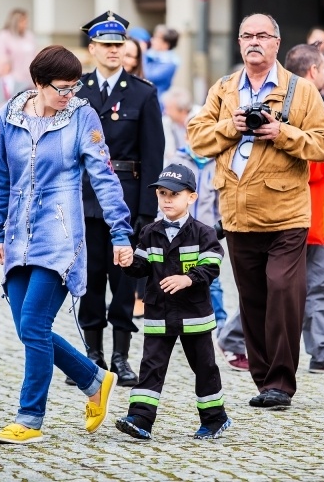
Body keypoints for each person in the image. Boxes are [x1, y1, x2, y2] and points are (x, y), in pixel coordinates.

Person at [187, 14, 324, 409]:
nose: (254, 41)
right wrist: (230, 127)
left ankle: (281, 383)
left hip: (287, 212)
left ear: (276, 42)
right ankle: (264, 381)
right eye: (247, 36)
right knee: (253, 299)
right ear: (239, 43)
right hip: (237, 214)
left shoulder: (301, 91)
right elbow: (197, 138)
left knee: (284, 290)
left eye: (262, 36)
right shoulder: (223, 90)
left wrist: (281, 133)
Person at [0, 45, 131, 444]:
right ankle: (94, 379)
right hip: (17, 236)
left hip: (60, 237)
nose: (70, 94)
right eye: (62, 88)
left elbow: (104, 176)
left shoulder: (82, 116)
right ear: (38, 83)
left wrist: (121, 232)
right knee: (27, 328)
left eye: (75, 86)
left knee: (33, 324)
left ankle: (29, 418)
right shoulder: (10, 114)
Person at [215, 45, 324, 375]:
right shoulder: (291, 102)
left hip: (323, 213)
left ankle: (241, 340)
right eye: (323, 68)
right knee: (291, 287)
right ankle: (311, 352)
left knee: (288, 287)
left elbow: (318, 145)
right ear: (311, 72)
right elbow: (292, 167)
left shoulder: (314, 103)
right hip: (301, 215)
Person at [71, 11, 164, 388]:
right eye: (106, 45)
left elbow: (153, 155)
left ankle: (122, 357)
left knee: (125, 281)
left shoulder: (143, 93)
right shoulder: (76, 93)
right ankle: (91, 356)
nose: (113, 51)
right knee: (90, 279)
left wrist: (146, 211)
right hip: (84, 199)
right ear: (92, 48)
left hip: (126, 198)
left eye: (118, 44)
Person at [115, 163, 231, 440]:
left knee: (204, 367)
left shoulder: (204, 233)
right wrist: (129, 262)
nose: (167, 199)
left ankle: (215, 419)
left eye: (174, 194)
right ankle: (140, 418)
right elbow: (141, 267)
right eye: (162, 193)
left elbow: (212, 264)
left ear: (191, 197)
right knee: (151, 367)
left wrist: (188, 278)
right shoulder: (149, 232)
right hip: (159, 314)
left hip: (195, 315)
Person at [168, 127, 226, 332]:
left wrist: (220, 227)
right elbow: (164, 197)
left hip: (208, 232)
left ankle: (220, 324)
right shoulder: (176, 162)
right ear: (186, 137)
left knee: (213, 280)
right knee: (180, 275)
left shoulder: (217, 163)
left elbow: (220, 202)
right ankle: (180, 319)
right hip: (180, 233)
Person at [0, 8, 37, 87]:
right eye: (22, 21)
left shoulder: (29, 36)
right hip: (12, 82)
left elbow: (34, 55)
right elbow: (0, 60)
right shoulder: (3, 36)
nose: (25, 24)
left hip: (29, 80)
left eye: (26, 21)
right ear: (15, 22)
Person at [144, 24, 180, 100]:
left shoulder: (170, 63)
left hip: (157, 101)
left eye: (156, 38)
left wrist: (141, 54)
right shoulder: (152, 56)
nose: (152, 40)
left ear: (165, 44)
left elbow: (148, 76)